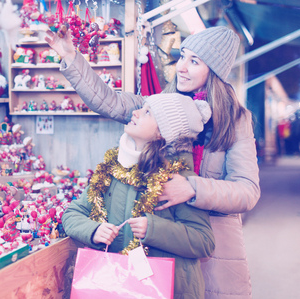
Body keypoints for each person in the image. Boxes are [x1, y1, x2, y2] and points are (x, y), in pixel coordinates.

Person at [46, 25, 260, 299]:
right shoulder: (161, 106)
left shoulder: (235, 120)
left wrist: (194, 188)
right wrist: (71, 57)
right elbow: (109, 101)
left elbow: (247, 190)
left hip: (208, 244)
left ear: (214, 71)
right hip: (158, 245)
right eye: (182, 56)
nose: (181, 67)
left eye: (194, 61)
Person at [63, 93, 215, 298]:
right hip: (113, 286)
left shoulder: (178, 180)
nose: (135, 113)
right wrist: (93, 230)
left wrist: (153, 228)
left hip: (167, 291)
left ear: (163, 132)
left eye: (147, 112)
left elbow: (204, 241)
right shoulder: (112, 169)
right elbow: (73, 213)